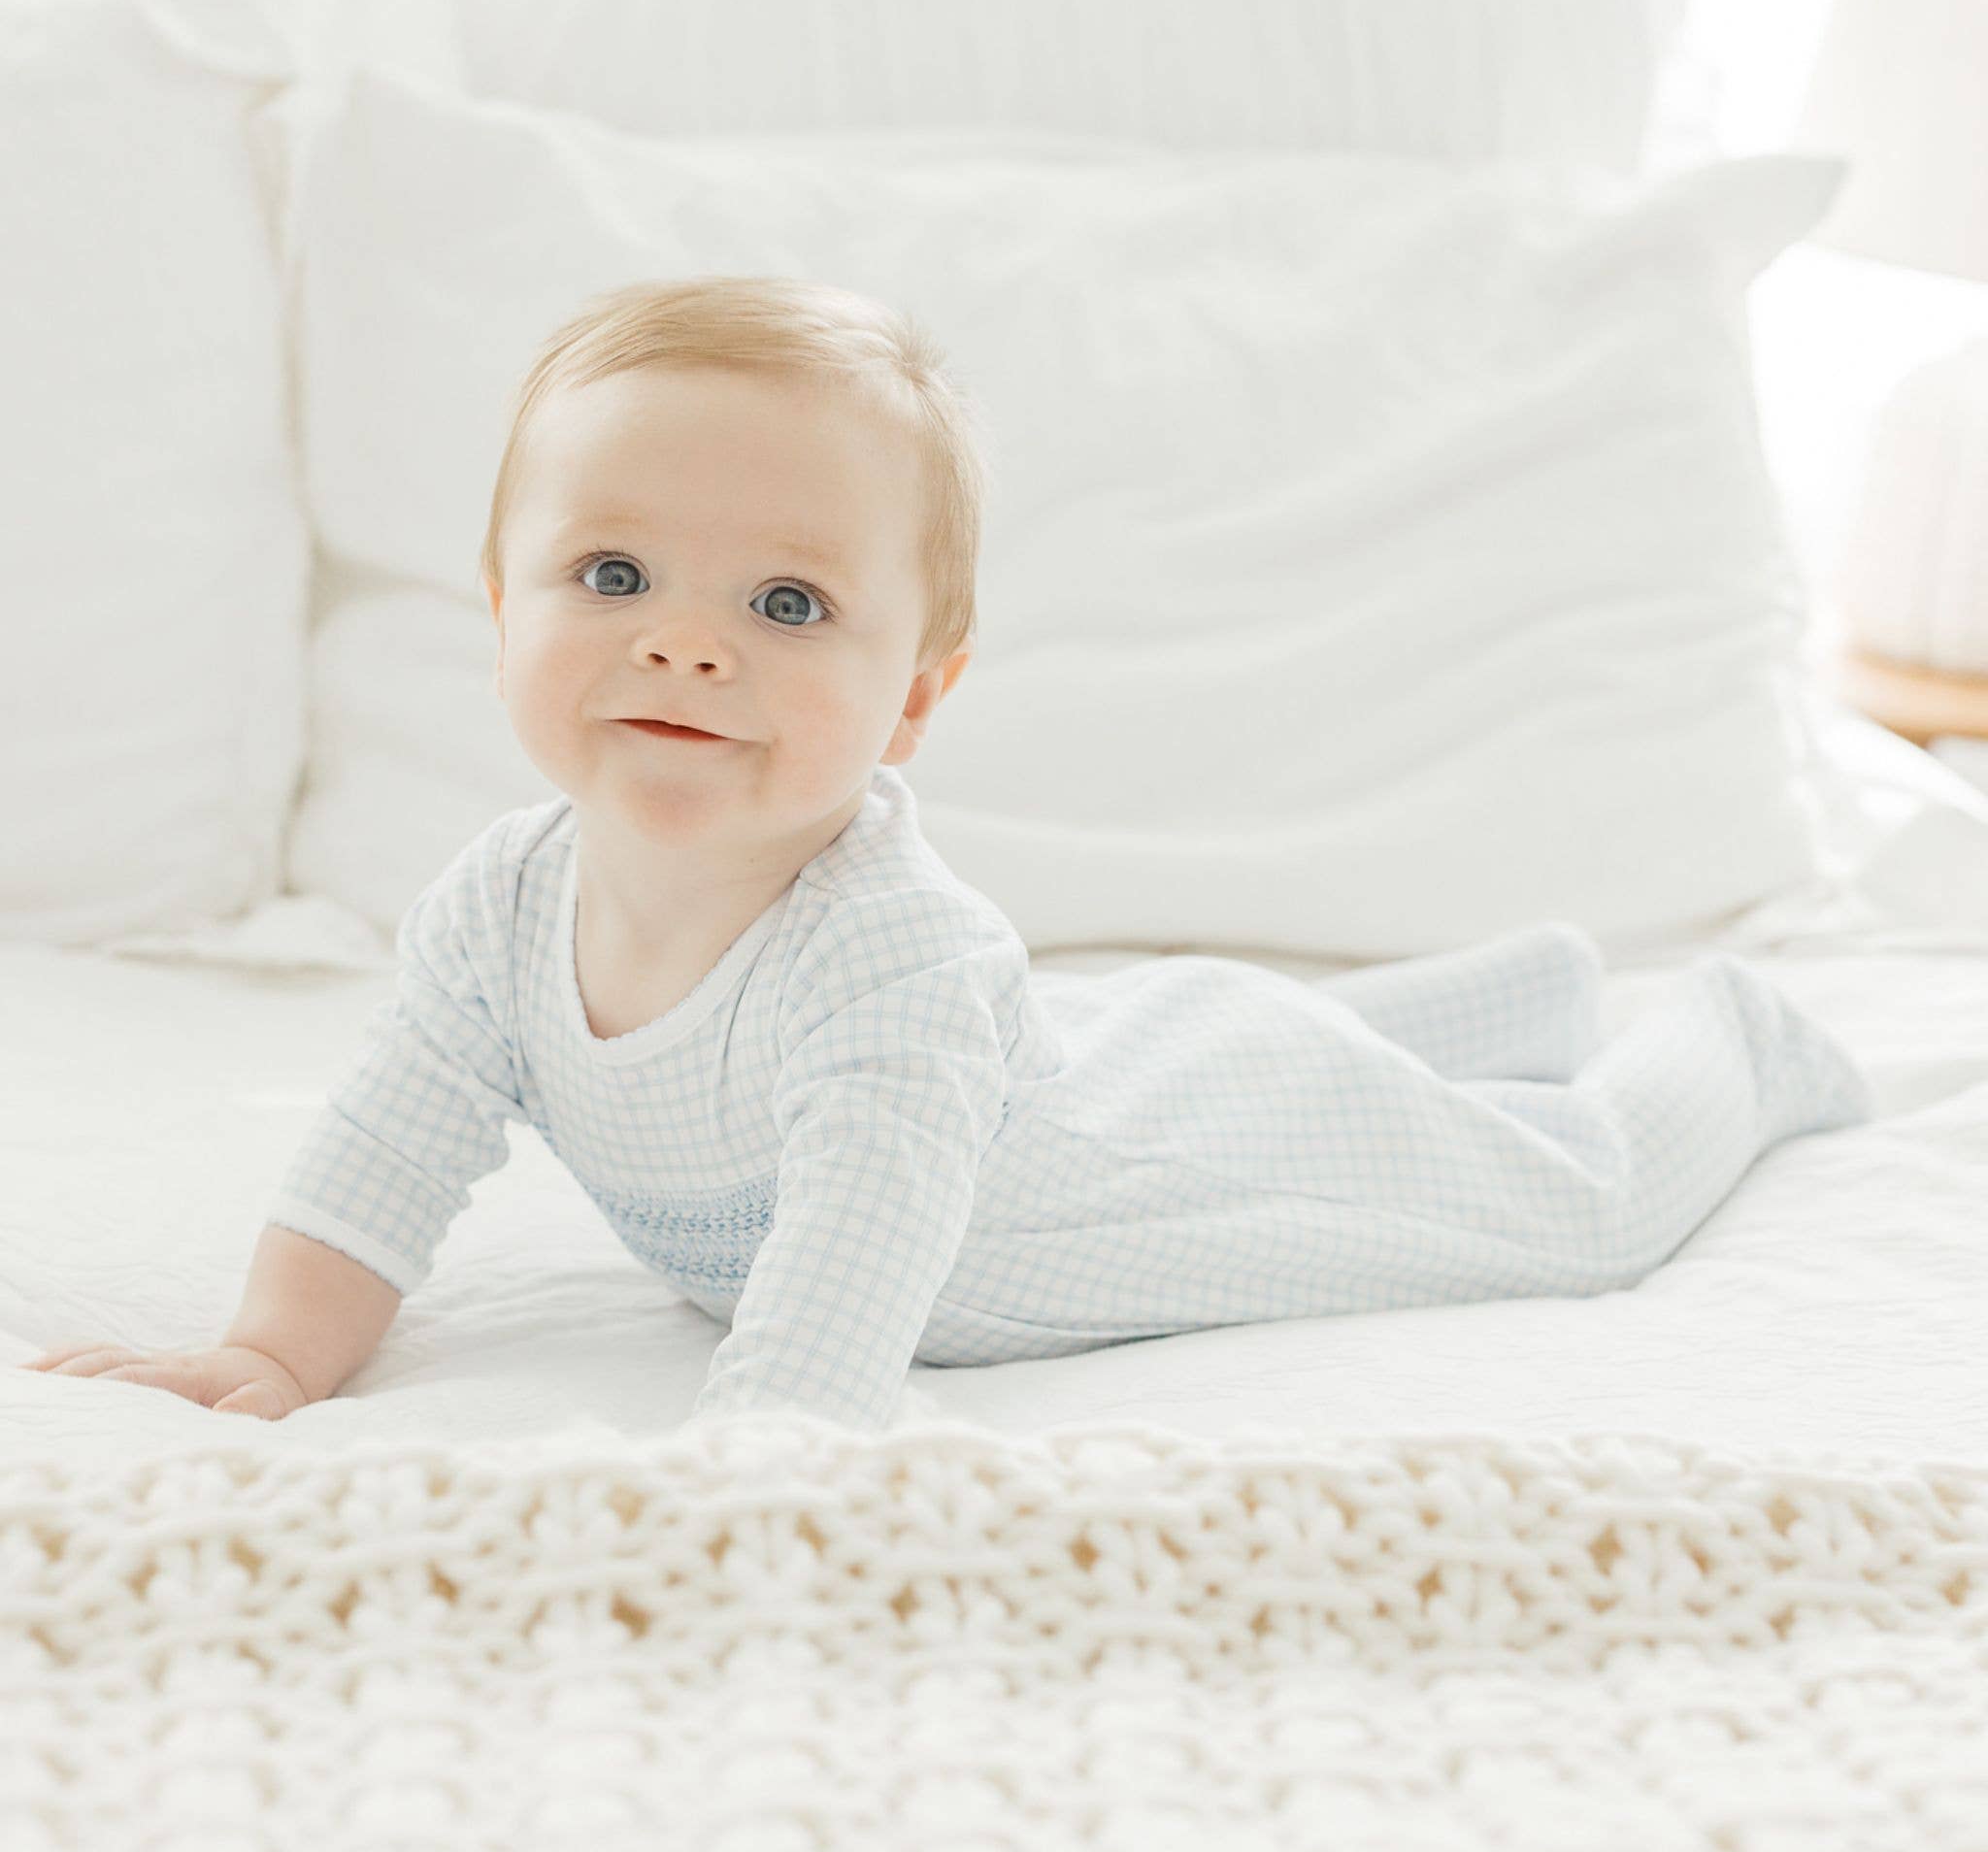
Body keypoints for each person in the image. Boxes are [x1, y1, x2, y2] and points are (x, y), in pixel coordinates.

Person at [20, 276, 1875, 1432]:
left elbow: (834, 1314)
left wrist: (768, 1457)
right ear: (495, 606)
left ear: (914, 695)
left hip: (1125, 1185)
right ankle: (1507, 993)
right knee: (1197, 1025)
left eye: (787, 599)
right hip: (1101, 1059)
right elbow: (390, 1148)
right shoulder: (498, 909)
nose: (687, 642)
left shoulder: (889, 961)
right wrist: (267, 1355)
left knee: (1573, 1205)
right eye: (612, 576)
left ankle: (1721, 1033)